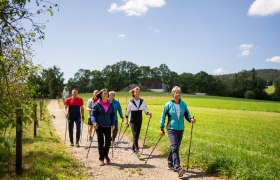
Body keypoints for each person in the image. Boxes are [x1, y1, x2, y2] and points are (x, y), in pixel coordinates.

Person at [160, 86, 196, 177]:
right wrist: (161, 127)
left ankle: (170, 162)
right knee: (175, 146)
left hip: (181, 129)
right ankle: (178, 167)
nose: (178, 94)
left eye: (179, 92)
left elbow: (187, 114)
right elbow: (163, 116)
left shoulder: (183, 104)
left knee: (175, 147)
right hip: (171, 128)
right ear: (173, 94)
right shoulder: (168, 104)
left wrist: (191, 119)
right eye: (176, 92)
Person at [91, 88, 115, 166]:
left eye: (106, 93)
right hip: (99, 126)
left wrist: (113, 123)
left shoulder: (110, 104)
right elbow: (93, 115)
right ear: (101, 95)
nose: (105, 94)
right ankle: (101, 158)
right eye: (104, 93)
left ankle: (106, 155)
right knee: (100, 142)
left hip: (108, 125)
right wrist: (94, 123)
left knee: (108, 142)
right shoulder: (97, 104)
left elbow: (112, 115)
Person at [125, 87, 152, 155]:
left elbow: (145, 110)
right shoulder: (130, 102)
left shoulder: (142, 101)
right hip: (132, 121)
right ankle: (137, 150)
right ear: (133, 93)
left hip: (139, 120)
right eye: (136, 92)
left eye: (138, 92)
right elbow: (127, 113)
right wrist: (126, 122)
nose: (137, 93)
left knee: (137, 135)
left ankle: (133, 148)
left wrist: (148, 113)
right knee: (135, 134)